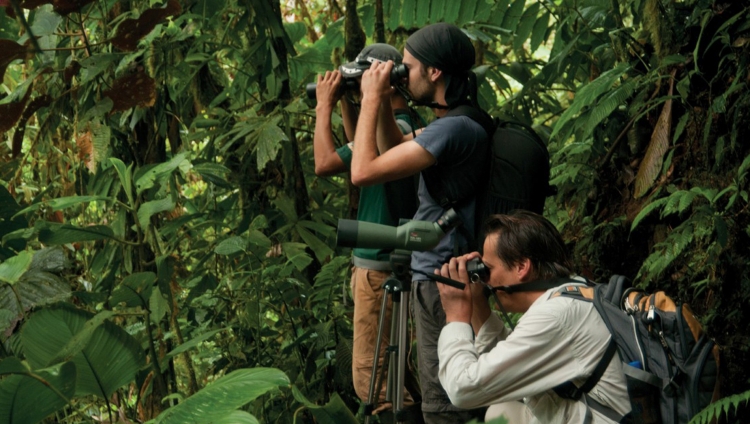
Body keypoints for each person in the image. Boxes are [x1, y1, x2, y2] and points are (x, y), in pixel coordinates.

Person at [351, 23, 489, 424]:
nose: (401, 73)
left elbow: (363, 172)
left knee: (443, 404)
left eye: (406, 66)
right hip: (443, 273)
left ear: (434, 73)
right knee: (451, 392)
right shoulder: (458, 120)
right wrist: (379, 102)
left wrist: (371, 98)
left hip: (442, 278)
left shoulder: (454, 127)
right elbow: (396, 150)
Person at [434, 211, 632, 423]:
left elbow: (463, 389)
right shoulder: (574, 290)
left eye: (487, 269)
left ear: (521, 267)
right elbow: (507, 365)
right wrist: (477, 304)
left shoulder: (555, 316)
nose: (486, 280)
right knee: (499, 413)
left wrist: (456, 316)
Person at [312, 43, 422, 419]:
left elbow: (325, 163)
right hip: (386, 262)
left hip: (379, 267)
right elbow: (361, 147)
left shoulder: (400, 129)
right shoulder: (400, 128)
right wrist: (348, 99)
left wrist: (324, 104)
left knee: (373, 381)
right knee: (396, 371)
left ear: (387, 81)